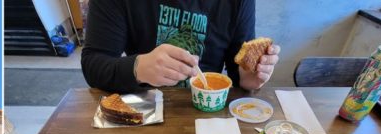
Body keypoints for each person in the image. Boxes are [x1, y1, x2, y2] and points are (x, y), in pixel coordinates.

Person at [81, 0, 280, 93]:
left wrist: (249, 77)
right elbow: (93, 64)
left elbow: (238, 69)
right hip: (143, 108)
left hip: (207, 115)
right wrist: (137, 68)